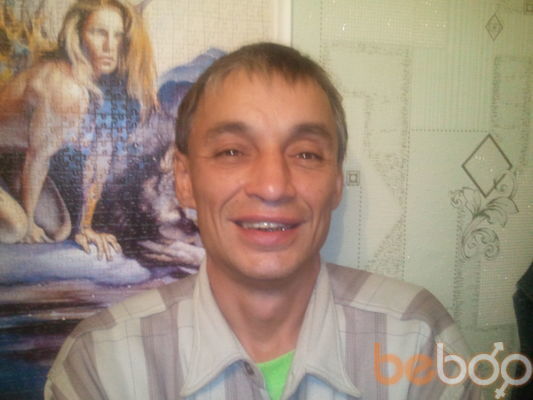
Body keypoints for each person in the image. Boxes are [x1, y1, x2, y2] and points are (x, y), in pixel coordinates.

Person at [44, 43, 481, 399]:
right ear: (185, 180)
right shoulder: (102, 364)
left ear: (335, 183)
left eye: (306, 154)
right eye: (232, 151)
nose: (273, 186)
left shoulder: (418, 339)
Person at [0, 0, 157, 260]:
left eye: (118, 35)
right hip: (24, 159)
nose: (109, 46)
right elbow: (37, 157)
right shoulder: (66, 89)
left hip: (10, 161)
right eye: (98, 33)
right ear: (78, 36)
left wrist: (85, 227)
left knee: (60, 230)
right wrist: (28, 223)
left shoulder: (106, 89)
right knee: (16, 228)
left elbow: (98, 160)